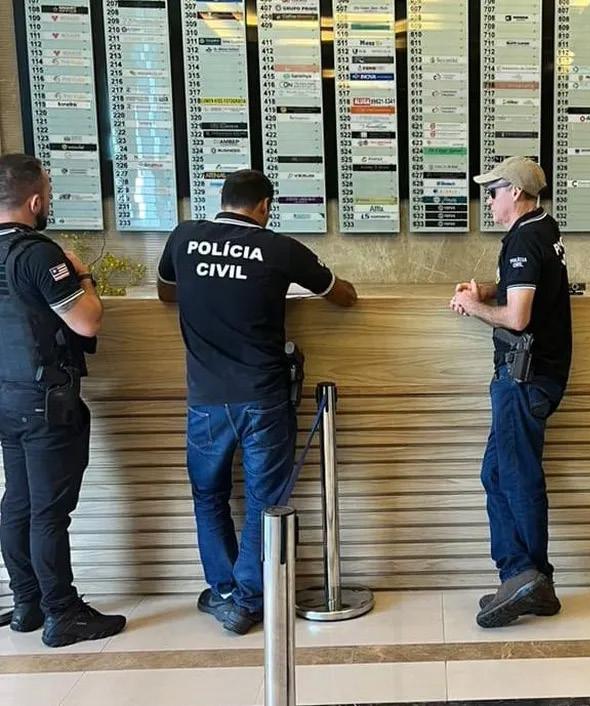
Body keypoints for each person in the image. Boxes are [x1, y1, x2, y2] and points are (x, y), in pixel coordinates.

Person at [157, 170, 357, 634]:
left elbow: (167, 291)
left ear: (221, 199)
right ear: (265, 206)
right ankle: (248, 600)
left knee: (209, 495)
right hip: (263, 398)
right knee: (263, 501)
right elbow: (342, 296)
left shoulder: (184, 238)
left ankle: (223, 590)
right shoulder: (279, 249)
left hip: (206, 399)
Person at [0, 154, 126, 647]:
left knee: (18, 501)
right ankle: (62, 612)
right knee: (49, 511)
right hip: (44, 400)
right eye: (48, 193)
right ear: (34, 201)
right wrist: (83, 276)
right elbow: (86, 322)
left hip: (6, 397)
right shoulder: (38, 254)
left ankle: (27, 604)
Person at [450, 156, 572, 628]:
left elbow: (518, 318)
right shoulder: (543, 229)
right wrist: (487, 288)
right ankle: (526, 577)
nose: (489, 200)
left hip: (524, 377)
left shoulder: (523, 238)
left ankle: (528, 577)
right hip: (535, 377)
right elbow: (525, 289)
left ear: (516, 192)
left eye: (494, 191)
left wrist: (472, 305)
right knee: (499, 473)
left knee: (517, 478)